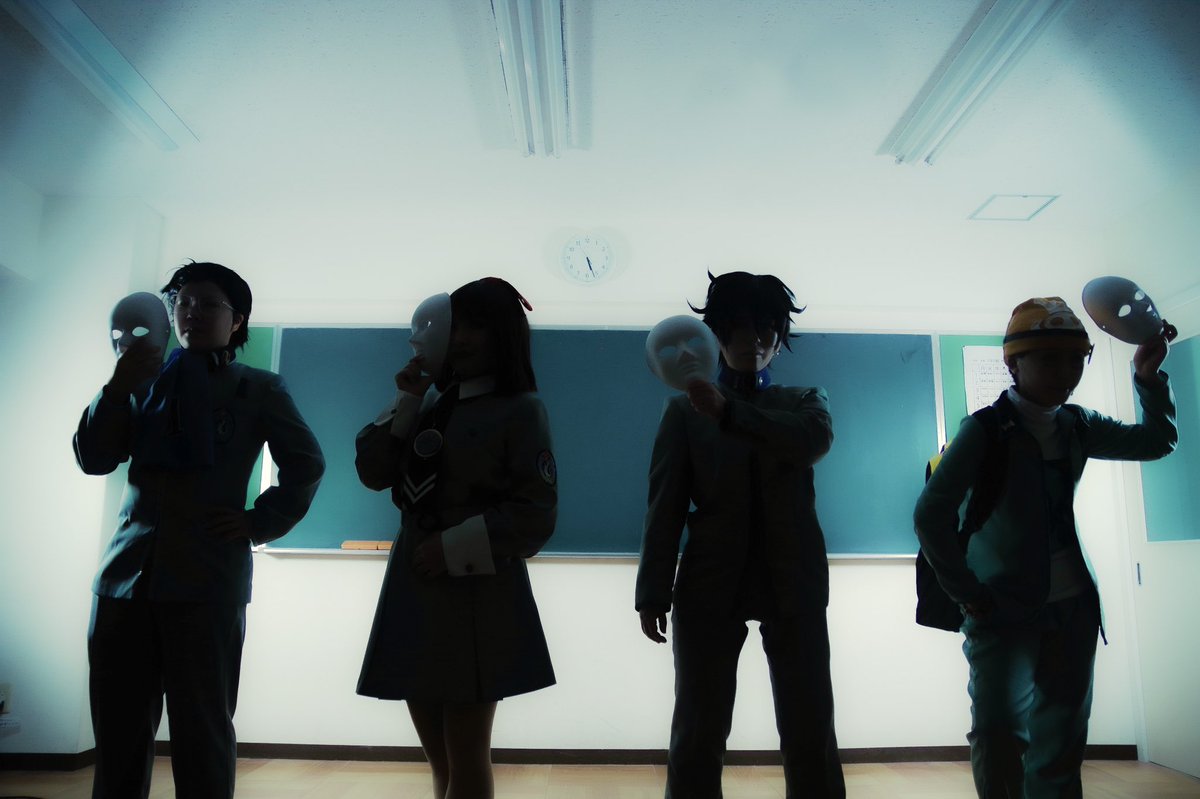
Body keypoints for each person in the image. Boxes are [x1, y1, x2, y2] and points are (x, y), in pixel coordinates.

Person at [74, 261, 325, 799]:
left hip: (208, 582)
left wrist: (257, 522)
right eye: (183, 303)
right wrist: (117, 387)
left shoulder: (258, 388)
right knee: (117, 732)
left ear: (238, 321)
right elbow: (94, 458)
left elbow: (306, 465)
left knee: (203, 729)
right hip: (124, 582)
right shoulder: (140, 385)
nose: (192, 313)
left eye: (210, 304)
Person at [914, 296, 1177, 798]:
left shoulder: (1077, 424)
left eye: (1076, 359)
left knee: (1061, 739)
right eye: (1050, 359)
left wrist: (1147, 376)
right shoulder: (984, 431)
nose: (1067, 372)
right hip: (1002, 609)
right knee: (998, 734)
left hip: (1074, 607)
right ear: (1014, 363)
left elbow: (1156, 442)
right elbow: (930, 515)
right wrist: (967, 592)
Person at [636, 271, 846, 798]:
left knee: (810, 728)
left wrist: (729, 412)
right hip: (709, 582)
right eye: (739, 327)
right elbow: (665, 506)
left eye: (767, 327)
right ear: (717, 333)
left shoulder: (805, 400)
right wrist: (652, 590)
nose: (754, 340)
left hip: (795, 582)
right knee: (698, 729)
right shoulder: (683, 411)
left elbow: (812, 441)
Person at [355, 277, 557, 799]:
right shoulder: (427, 403)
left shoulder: (520, 409)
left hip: (475, 589)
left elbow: (534, 514)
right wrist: (406, 398)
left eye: (477, 327)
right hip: (414, 583)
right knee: (440, 761)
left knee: (467, 756)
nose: (460, 338)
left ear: (503, 337)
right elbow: (373, 472)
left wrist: (450, 550)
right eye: (456, 325)